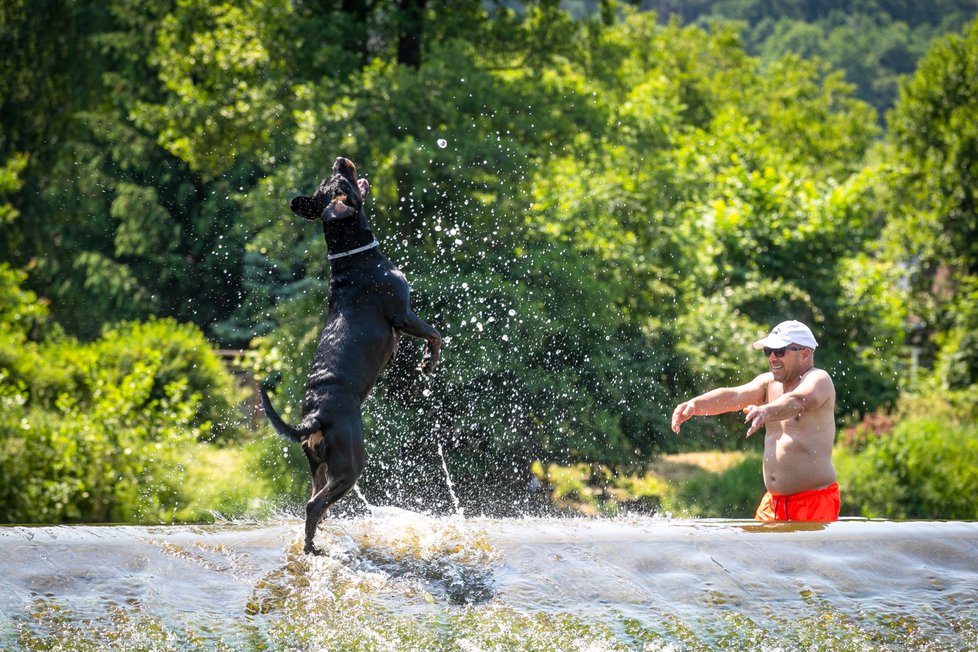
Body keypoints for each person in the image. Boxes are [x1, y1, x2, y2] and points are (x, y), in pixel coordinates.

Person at [671, 320, 840, 522]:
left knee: (799, 555)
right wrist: (695, 405)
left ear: (804, 353)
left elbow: (797, 400)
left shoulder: (819, 379)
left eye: (779, 351)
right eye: (768, 350)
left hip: (813, 502)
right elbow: (734, 396)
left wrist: (765, 410)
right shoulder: (768, 382)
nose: (771, 358)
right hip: (773, 504)